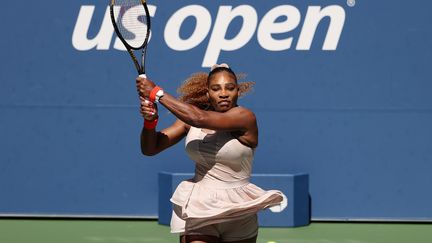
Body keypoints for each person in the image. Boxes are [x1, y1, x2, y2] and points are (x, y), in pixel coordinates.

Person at [136, 63, 287, 243]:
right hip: (200, 207)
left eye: (230, 88)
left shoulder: (245, 117)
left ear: (238, 91)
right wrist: (150, 123)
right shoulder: (190, 119)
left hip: (239, 210)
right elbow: (150, 148)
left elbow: (199, 119)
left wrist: (157, 93)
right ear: (208, 93)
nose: (223, 93)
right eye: (216, 89)